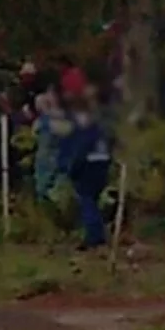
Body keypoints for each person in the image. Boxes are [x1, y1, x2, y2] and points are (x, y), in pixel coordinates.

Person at [58, 102, 112, 250]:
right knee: (92, 204)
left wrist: (72, 172)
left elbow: (79, 156)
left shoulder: (85, 133)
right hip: (101, 170)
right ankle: (95, 235)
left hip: (87, 171)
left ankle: (95, 237)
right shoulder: (101, 133)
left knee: (88, 204)